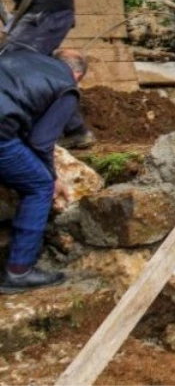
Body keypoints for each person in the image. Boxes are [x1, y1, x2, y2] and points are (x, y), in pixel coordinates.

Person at [0, 46, 88, 293]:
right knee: (39, 185)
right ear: (78, 76)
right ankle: (19, 271)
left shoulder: (19, 55)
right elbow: (40, 141)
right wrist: (52, 176)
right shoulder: (67, 88)